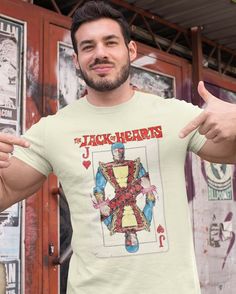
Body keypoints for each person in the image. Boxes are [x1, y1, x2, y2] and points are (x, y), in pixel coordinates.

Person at [0, 1, 236, 293]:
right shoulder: (54, 130)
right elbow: (5, 191)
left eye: (110, 42)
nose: (100, 53)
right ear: (76, 59)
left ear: (131, 50)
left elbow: (229, 152)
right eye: (88, 46)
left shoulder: (174, 114)